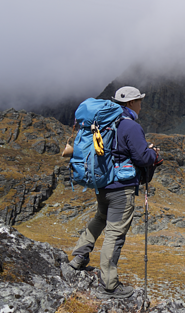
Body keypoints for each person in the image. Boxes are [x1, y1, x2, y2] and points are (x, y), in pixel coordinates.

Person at [68, 86, 159, 299]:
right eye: (138, 101)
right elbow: (142, 159)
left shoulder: (104, 123)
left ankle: (78, 258)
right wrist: (153, 154)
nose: (140, 104)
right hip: (122, 189)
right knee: (115, 233)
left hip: (103, 184)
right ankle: (109, 285)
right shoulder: (130, 126)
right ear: (130, 104)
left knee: (100, 218)